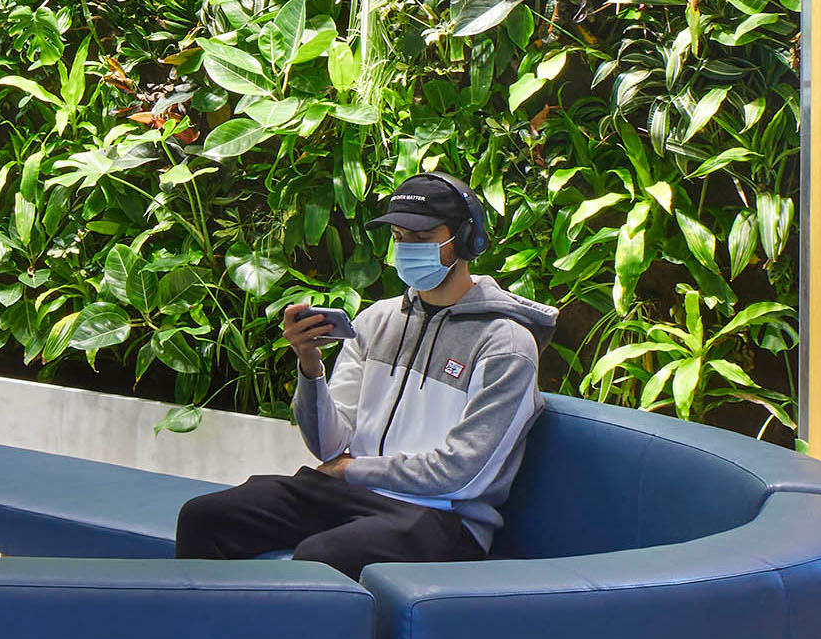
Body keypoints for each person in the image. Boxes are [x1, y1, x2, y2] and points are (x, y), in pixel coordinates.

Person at [174, 172, 556, 579]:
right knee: (204, 517)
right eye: (398, 237)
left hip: (441, 516)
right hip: (352, 495)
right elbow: (329, 446)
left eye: (422, 237)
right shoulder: (375, 322)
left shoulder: (506, 344)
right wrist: (309, 365)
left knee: (322, 556)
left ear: (465, 241)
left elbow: (464, 474)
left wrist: (352, 470)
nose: (406, 249)